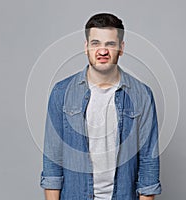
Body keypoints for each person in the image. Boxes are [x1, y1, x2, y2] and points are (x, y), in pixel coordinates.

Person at [40, 13, 161, 200]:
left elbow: (148, 163)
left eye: (110, 44)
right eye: (95, 43)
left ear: (121, 48)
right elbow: (52, 162)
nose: (102, 51)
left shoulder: (141, 95)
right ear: (86, 47)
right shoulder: (61, 92)